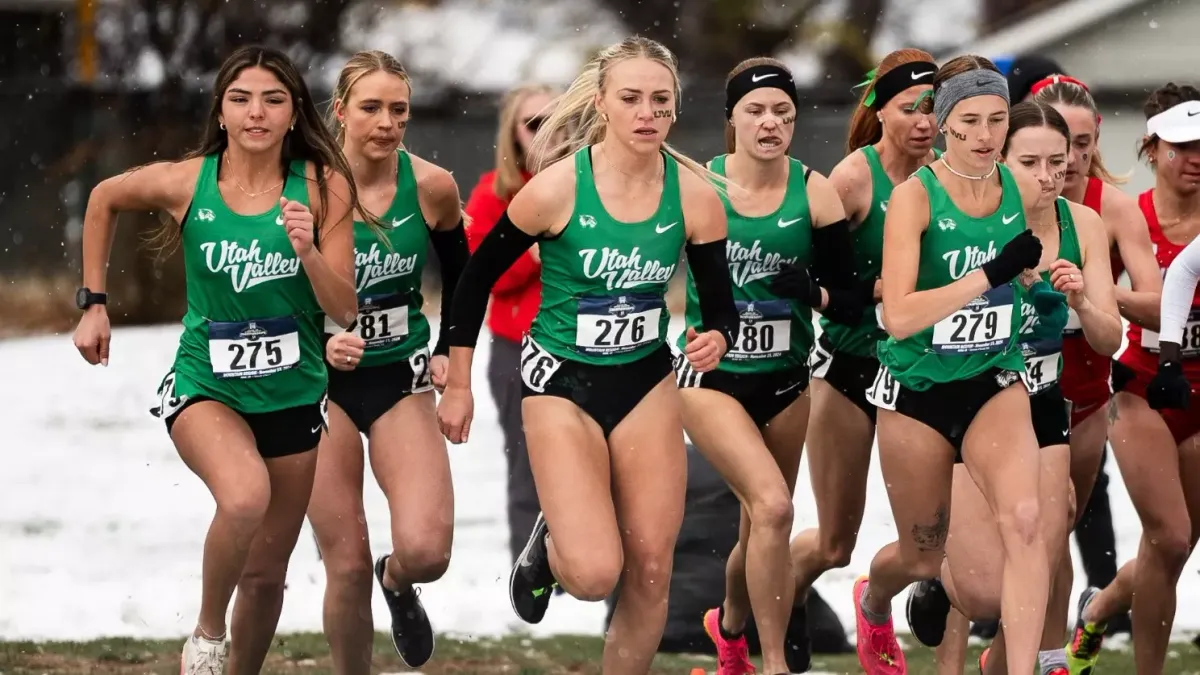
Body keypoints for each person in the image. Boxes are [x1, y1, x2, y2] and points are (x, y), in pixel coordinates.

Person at [436, 36, 739, 675]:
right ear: (602, 104)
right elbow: (473, 279)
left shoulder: (695, 198)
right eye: (631, 98)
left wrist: (717, 336)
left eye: (660, 100)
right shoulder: (554, 190)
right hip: (560, 383)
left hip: (645, 381)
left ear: (675, 110)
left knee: (653, 567)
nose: (646, 112)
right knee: (597, 574)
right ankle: (549, 548)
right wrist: (458, 378)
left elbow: (721, 306)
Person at [71, 45, 361, 675]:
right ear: (222, 112)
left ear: (293, 114)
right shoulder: (188, 181)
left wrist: (309, 251)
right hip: (209, 387)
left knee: (264, 576)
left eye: (273, 99)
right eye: (241, 98)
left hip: (292, 395)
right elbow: (102, 198)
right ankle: (205, 638)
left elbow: (346, 311)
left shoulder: (321, 185)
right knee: (244, 497)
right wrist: (93, 303)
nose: (257, 112)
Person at [905, 100, 1121, 675]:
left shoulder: (1084, 225)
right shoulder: (967, 221)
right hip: (969, 393)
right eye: (1031, 162)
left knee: (1041, 545)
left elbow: (1108, 338)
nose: (1049, 175)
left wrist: (1081, 300)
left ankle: (1024, 664)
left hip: (1041, 402)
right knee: (981, 593)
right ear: (998, 160)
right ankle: (931, 582)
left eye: (1060, 160)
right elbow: (911, 311)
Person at [851, 54, 1050, 675]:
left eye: (997, 120)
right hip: (916, 390)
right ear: (943, 123)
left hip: (993, 378)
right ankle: (875, 596)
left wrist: (1038, 280)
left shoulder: (1016, 186)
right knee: (918, 556)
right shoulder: (914, 199)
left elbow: (1027, 262)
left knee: (1024, 521)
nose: (987, 135)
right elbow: (901, 314)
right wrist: (988, 274)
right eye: (972, 120)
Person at [678, 56, 864, 675]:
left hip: (786, 380)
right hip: (713, 380)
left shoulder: (816, 191)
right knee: (776, 509)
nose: (770, 123)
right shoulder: (698, 185)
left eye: (783, 112)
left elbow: (850, 295)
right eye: (755, 111)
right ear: (731, 119)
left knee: (763, 524)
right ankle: (779, 664)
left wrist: (810, 289)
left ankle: (730, 627)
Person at [305, 50, 470, 673]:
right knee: (343, 562)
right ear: (341, 110)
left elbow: (464, 277)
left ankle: (396, 582)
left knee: (428, 551)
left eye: (398, 109)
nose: (386, 122)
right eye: (371, 108)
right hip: (320, 385)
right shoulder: (305, 186)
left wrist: (452, 358)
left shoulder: (431, 185)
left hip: (399, 378)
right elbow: (266, 289)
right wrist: (320, 339)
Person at [786, 47, 939, 669]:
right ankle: (767, 611)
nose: (926, 121)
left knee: (932, 539)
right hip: (851, 369)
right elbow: (815, 284)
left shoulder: (959, 174)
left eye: (934, 107)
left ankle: (877, 608)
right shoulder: (853, 179)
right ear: (879, 109)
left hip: (928, 373)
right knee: (831, 542)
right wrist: (883, 292)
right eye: (910, 108)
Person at [1065, 83, 1200, 675]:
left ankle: (1097, 609)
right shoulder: (1127, 216)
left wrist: (1123, 300)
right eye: (1182, 147)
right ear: (1152, 149)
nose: (1196, 158)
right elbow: (1124, 303)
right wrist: (1120, 299)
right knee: (1168, 538)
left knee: (1172, 549)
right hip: (1140, 390)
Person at [1032, 73, 1161, 640]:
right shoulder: (994, 201)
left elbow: (1160, 306)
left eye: (1083, 144)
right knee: (1030, 529)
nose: (1071, 159)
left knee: (1057, 526)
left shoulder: (1112, 208)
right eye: (1061, 144)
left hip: (1084, 390)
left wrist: (1097, 297)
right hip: (1004, 385)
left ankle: (1035, 651)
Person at [463, 83, 559, 564]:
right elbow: (485, 276)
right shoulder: (492, 194)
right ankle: (531, 569)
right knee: (527, 464)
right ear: (513, 132)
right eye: (533, 123)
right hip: (517, 348)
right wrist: (535, 248)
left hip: (580, 345)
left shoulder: (590, 183)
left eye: (554, 119)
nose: (545, 132)